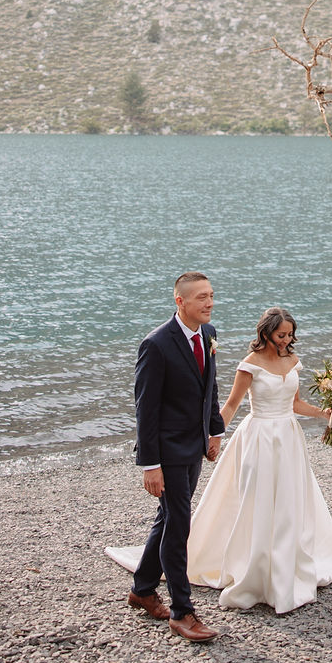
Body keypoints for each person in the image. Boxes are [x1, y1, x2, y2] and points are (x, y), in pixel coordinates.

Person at [186, 307, 332, 614]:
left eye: (290, 335)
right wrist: (214, 436)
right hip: (259, 436)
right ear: (265, 334)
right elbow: (232, 405)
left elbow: (296, 403)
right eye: (281, 335)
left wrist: (325, 414)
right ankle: (255, 570)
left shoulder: (292, 361)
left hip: (288, 437)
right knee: (257, 500)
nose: (287, 340)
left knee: (289, 501)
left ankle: (286, 566)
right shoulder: (249, 365)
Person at [128, 271, 225, 643]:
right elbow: (145, 409)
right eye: (201, 297)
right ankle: (183, 612)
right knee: (180, 523)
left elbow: (209, 387)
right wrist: (150, 465)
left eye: (211, 295)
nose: (209, 302)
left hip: (195, 445)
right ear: (180, 302)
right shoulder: (156, 344)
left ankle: (142, 589)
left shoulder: (209, 334)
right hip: (166, 451)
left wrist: (213, 431)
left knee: (168, 516)